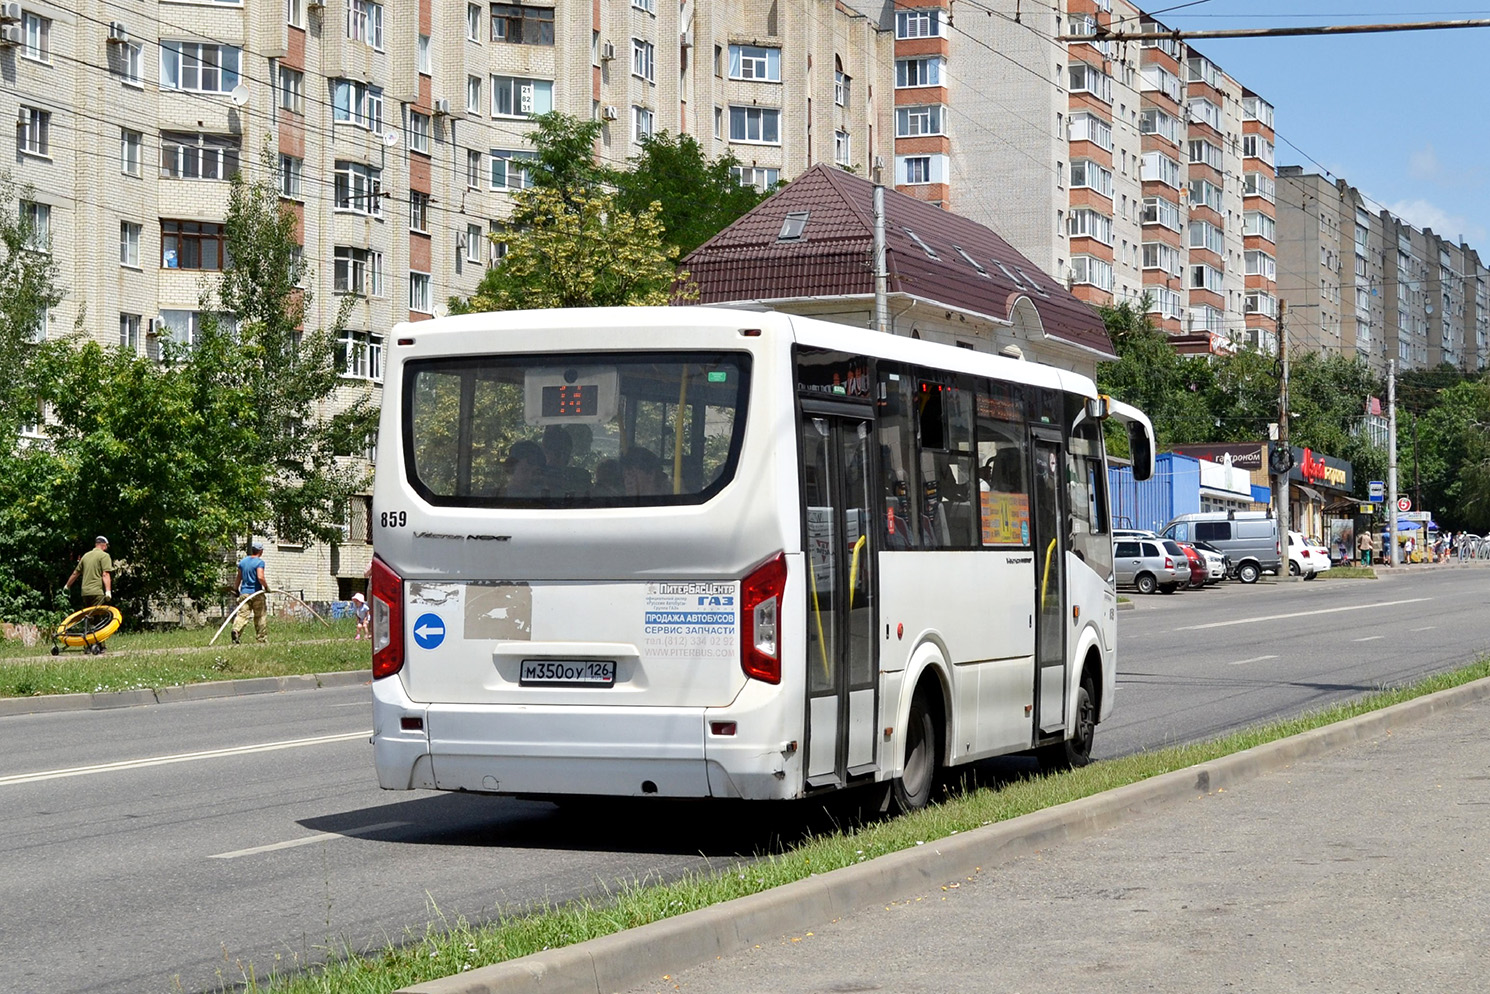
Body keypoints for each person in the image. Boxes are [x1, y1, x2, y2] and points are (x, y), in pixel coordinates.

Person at [232, 541, 270, 645]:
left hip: (244, 594)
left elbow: (238, 577)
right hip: (256, 593)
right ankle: (261, 639)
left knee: (242, 615)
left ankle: (236, 630)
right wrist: (266, 587)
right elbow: (260, 577)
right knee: (260, 616)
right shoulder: (259, 562)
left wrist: (235, 589)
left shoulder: (243, 562)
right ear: (260, 551)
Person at [65, 536, 113, 608]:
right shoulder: (104, 556)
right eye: (107, 545)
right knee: (97, 617)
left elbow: (75, 573)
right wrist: (108, 591)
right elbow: (105, 574)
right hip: (97, 592)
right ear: (103, 544)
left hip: (85, 593)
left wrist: (67, 586)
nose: (107, 547)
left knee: (89, 615)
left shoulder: (85, 556)